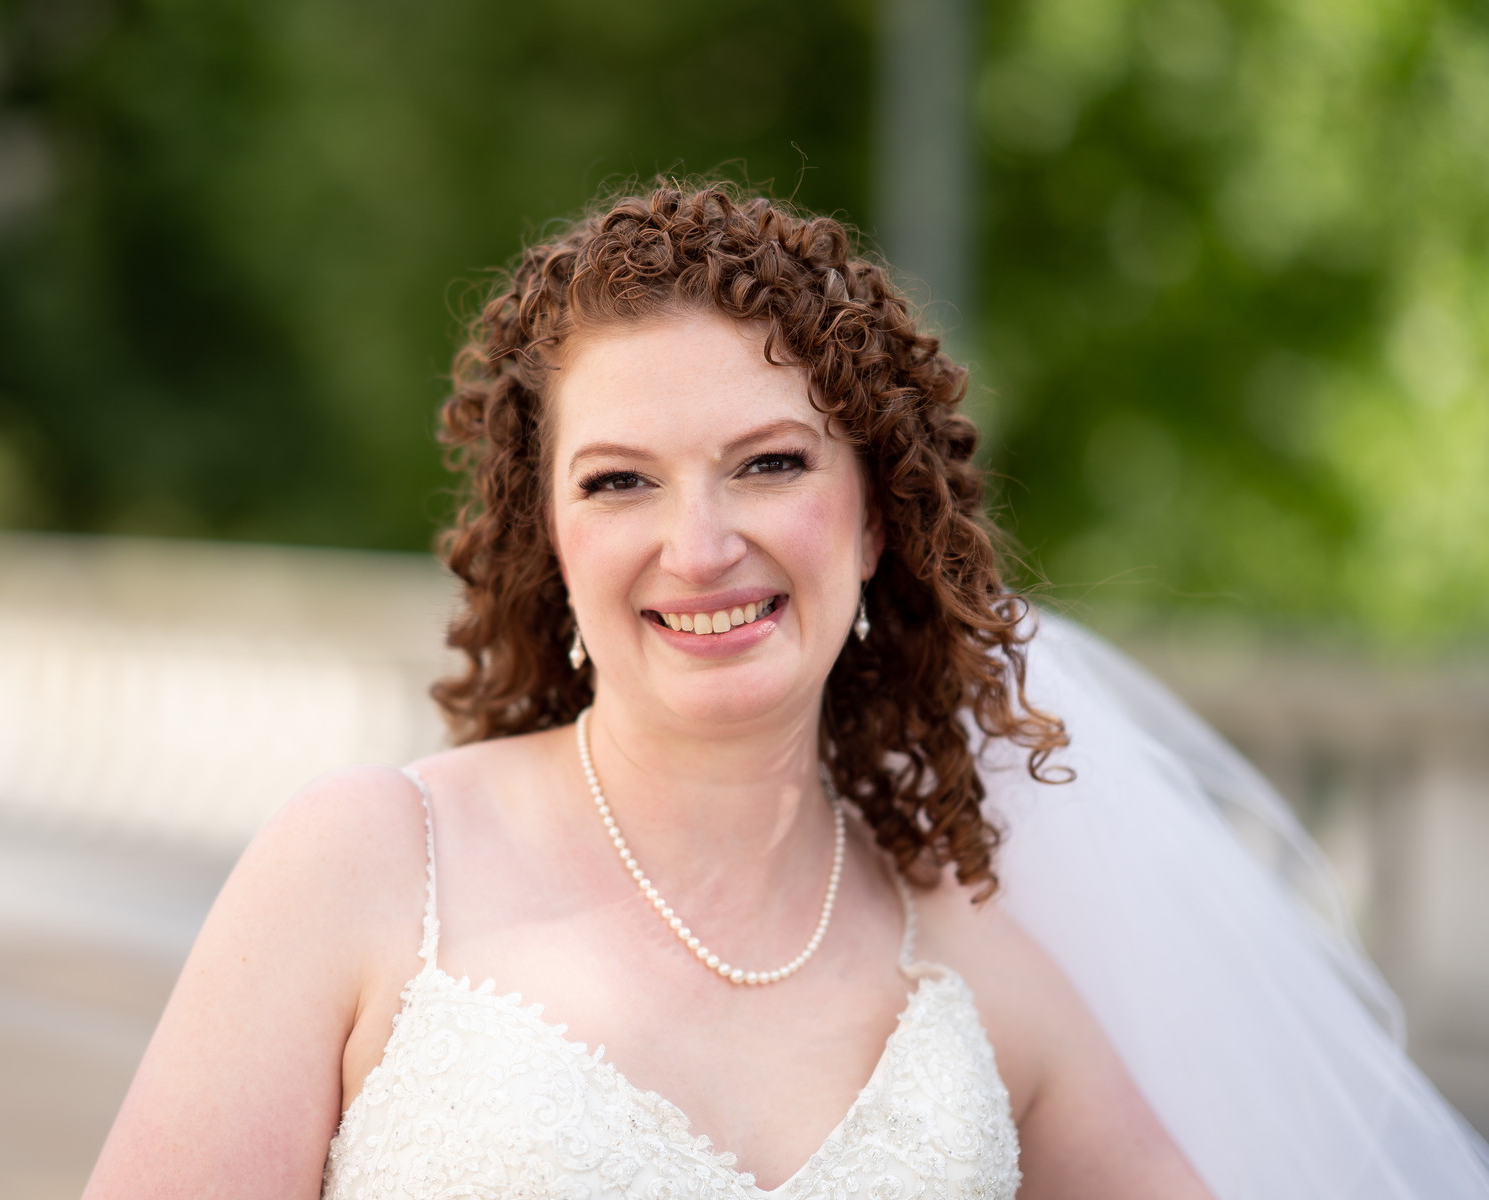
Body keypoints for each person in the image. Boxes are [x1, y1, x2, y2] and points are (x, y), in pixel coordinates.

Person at [84, 182, 1489, 1199]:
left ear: (874, 519)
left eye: (769, 464)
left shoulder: (977, 961)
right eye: (620, 481)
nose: (700, 547)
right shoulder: (374, 865)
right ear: (553, 542)